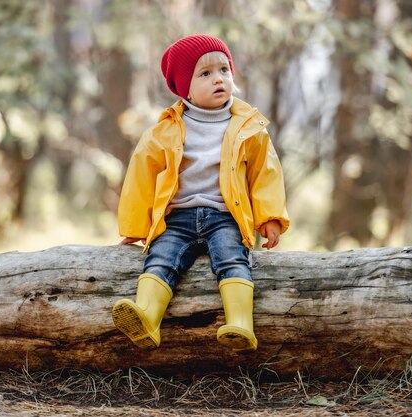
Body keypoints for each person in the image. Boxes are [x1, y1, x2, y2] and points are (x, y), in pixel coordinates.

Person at [112, 34, 289, 352]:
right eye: (204, 74)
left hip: (225, 215)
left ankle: (240, 323)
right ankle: (147, 317)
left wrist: (270, 217)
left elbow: (266, 173)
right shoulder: (166, 129)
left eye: (224, 69)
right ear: (185, 88)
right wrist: (135, 228)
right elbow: (141, 176)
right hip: (177, 217)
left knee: (232, 259)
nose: (218, 78)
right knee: (161, 259)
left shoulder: (248, 127)